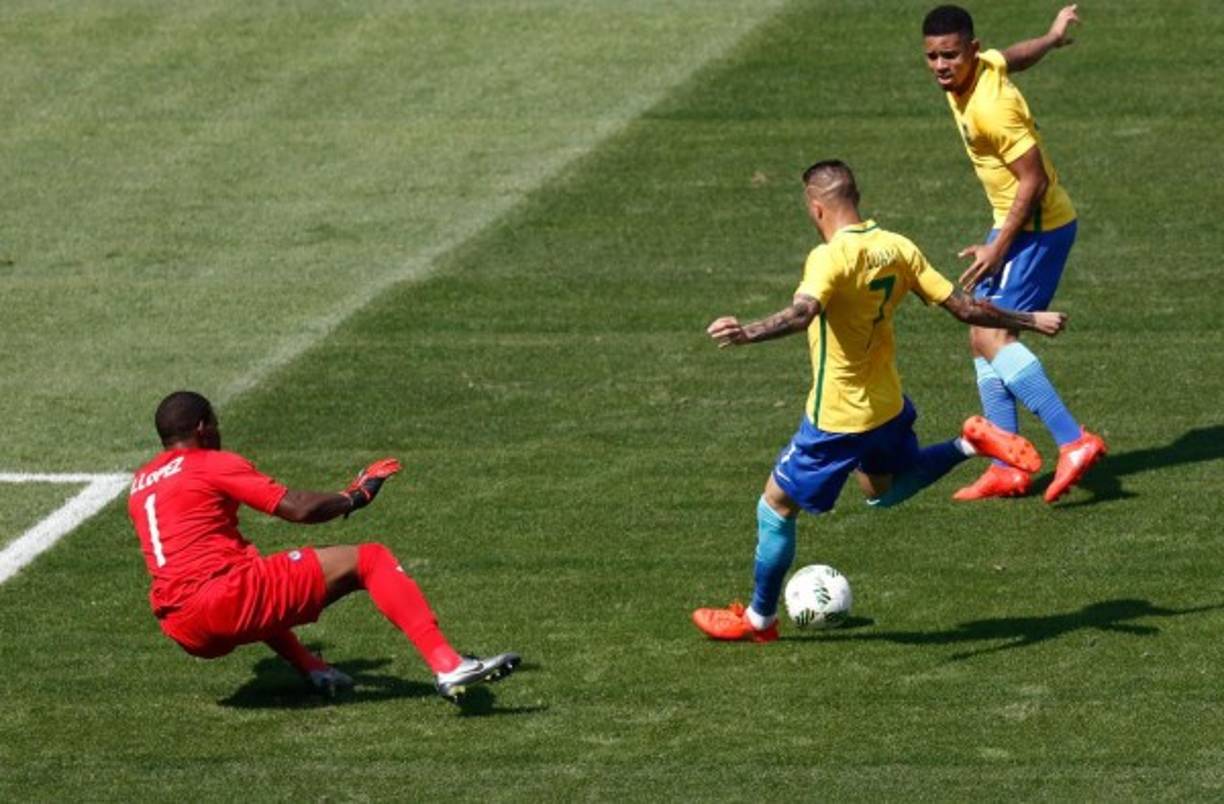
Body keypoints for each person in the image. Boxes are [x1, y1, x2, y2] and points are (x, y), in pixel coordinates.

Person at [692, 160, 1067, 642]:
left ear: (815, 206)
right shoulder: (898, 247)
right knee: (881, 491)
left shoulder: (828, 258)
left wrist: (747, 333)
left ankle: (759, 621)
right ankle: (970, 444)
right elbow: (964, 307)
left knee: (776, 506)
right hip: (887, 404)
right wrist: (1031, 319)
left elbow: (803, 313)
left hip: (836, 417)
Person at [127, 390, 519, 702]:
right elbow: (296, 509)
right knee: (371, 559)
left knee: (257, 578)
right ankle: (448, 664)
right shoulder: (209, 462)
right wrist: (354, 496)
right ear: (202, 428)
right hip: (223, 598)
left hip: (182, 625)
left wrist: (307, 662)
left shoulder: (142, 482)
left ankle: (311, 667)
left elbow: (255, 603)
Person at [921, 4, 1105, 503]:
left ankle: (1074, 440)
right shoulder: (980, 69)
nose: (941, 66)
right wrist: (1050, 38)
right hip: (1015, 223)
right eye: (933, 57)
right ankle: (1009, 465)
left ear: (971, 52)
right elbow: (1012, 58)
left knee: (992, 332)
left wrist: (998, 248)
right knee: (979, 335)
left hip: (1037, 226)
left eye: (951, 56)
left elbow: (1034, 179)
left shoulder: (990, 107)